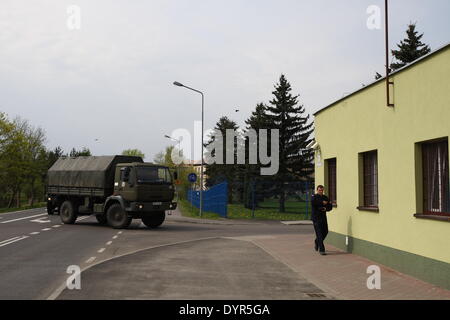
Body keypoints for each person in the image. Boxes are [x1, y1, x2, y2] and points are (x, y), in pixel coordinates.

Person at [311, 185, 332, 255]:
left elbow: (330, 206)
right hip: (316, 218)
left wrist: (326, 208)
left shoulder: (325, 197)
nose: (321, 191)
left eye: (322, 190)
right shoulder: (314, 197)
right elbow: (314, 203)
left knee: (325, 231)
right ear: (317, 190)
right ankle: (322, 250)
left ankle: (317, 242)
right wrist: (322, 203)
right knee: (319, 233)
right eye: (319, 190)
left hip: (323, 218)